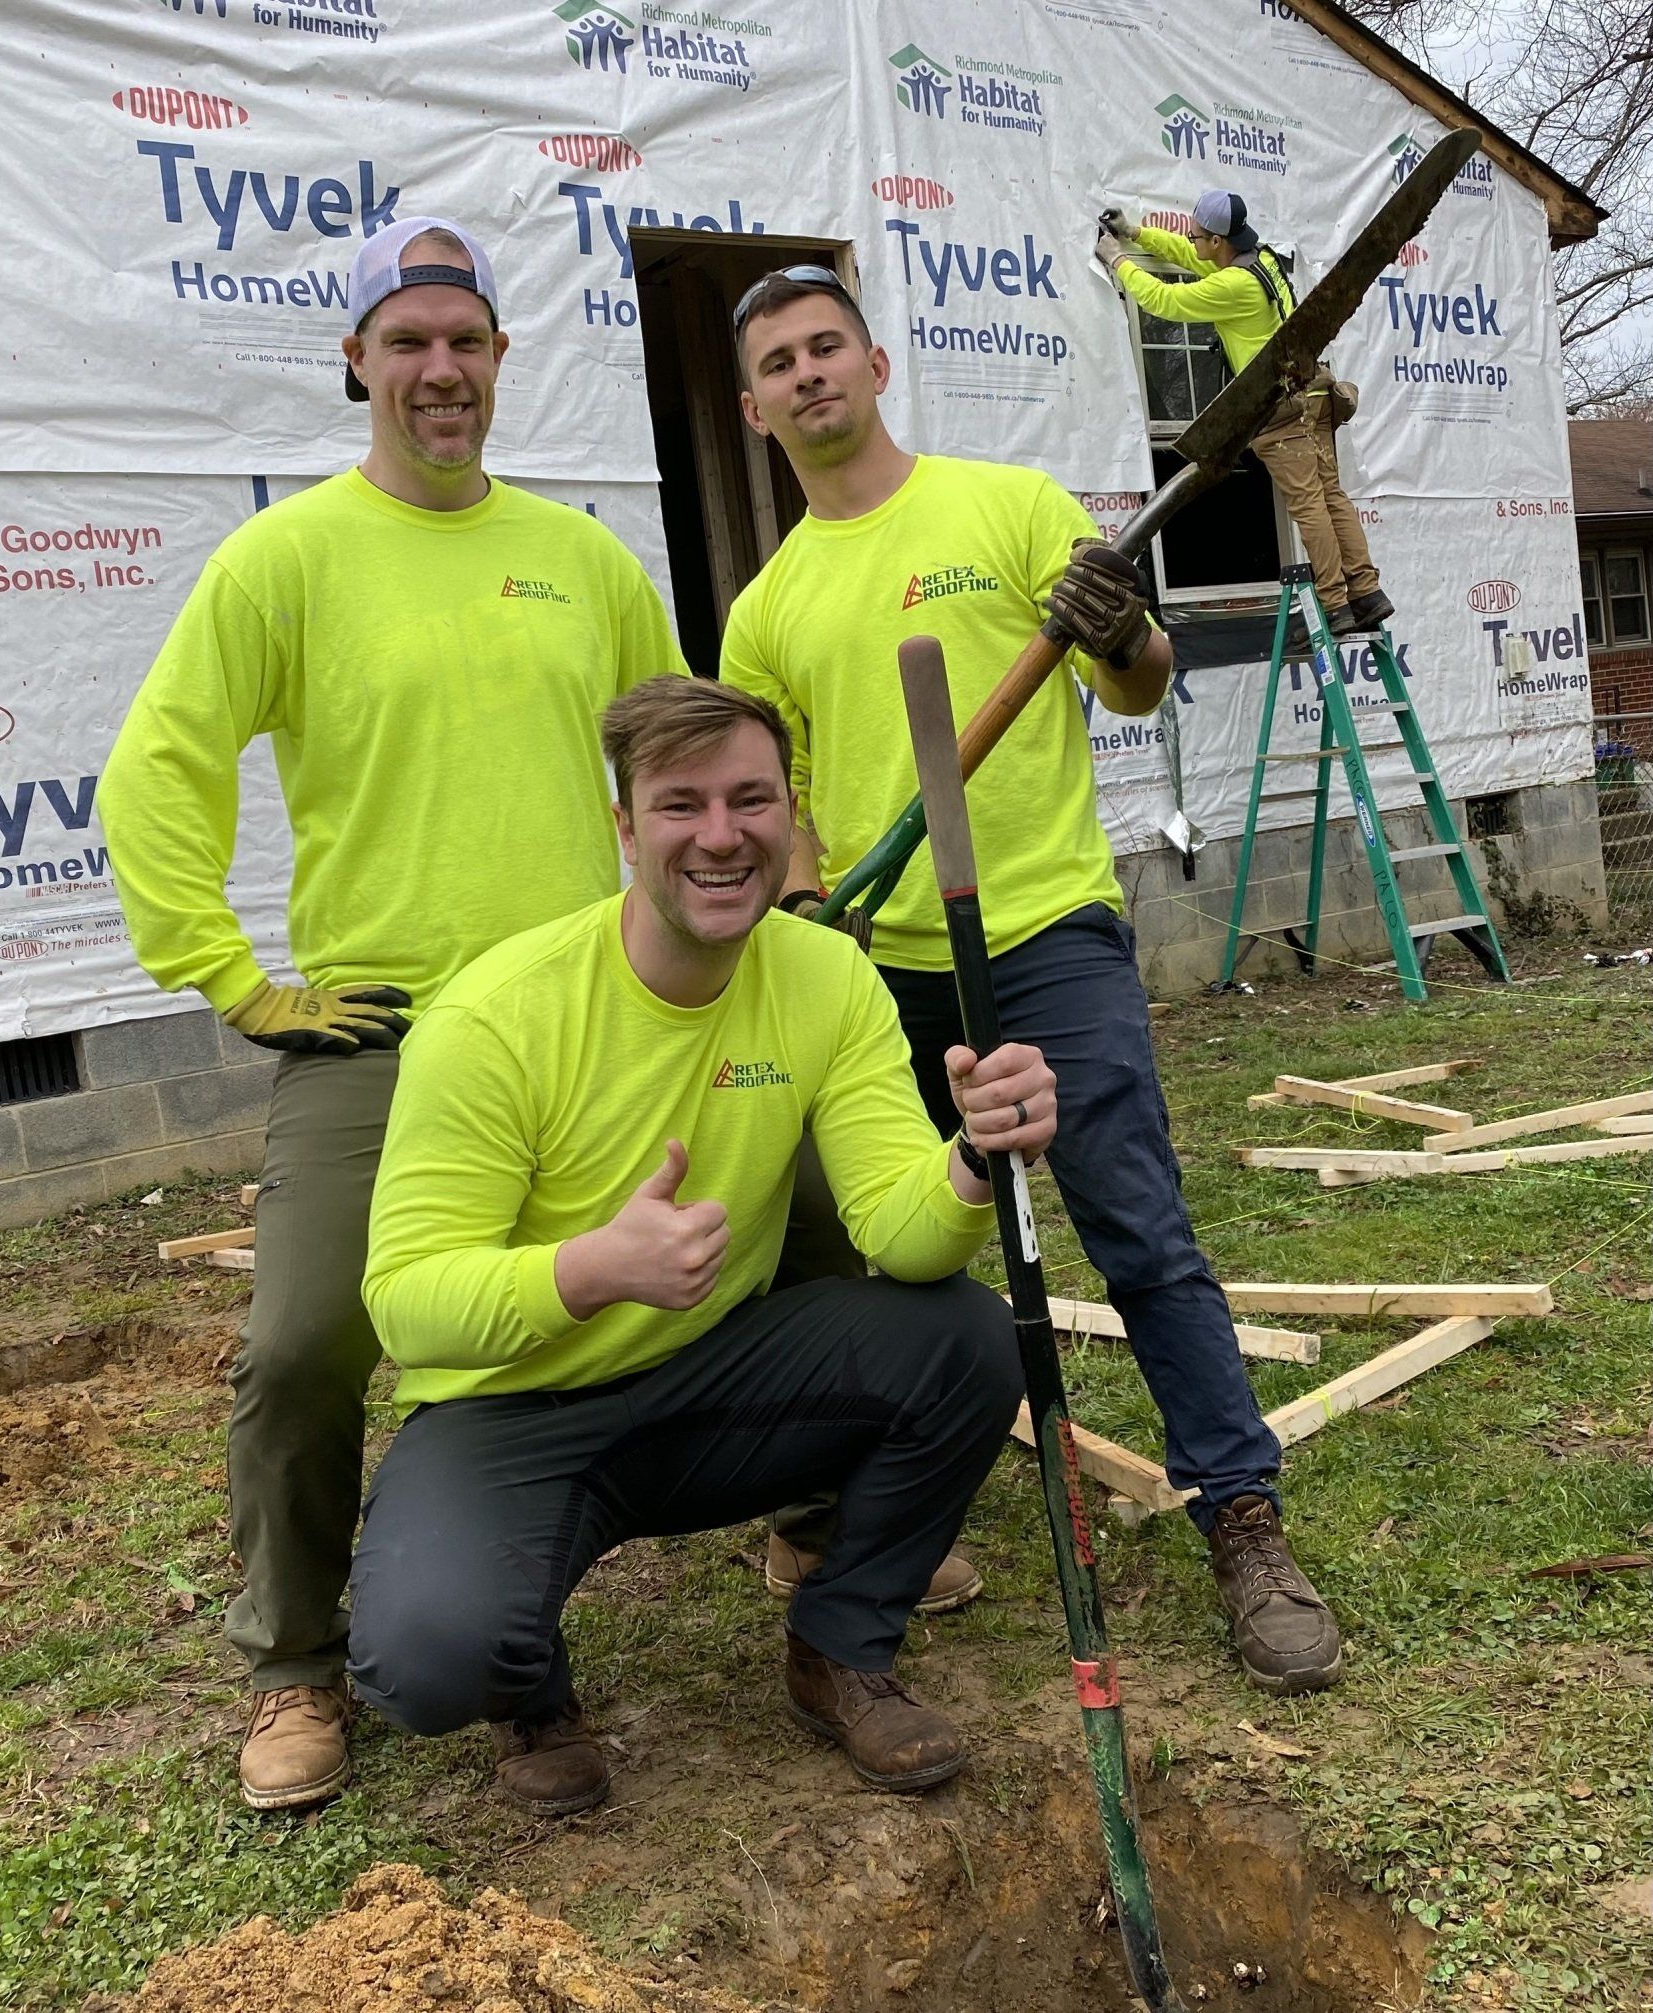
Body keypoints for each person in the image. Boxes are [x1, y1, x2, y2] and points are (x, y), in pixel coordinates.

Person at [98, 217, 687, 1811]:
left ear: (501, 361)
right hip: (384, 1032)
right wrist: (233, 977)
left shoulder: (582, 563)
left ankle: (539, 1666)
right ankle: (294, 1670)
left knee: (544, 1337)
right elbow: (158, 764)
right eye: (408, 340)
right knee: (301, 1347)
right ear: (356, 359)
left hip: (580, 1023)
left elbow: (674, 758)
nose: (440, 369)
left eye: (466, 340)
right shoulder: (286, 560)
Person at [720, 266, 1342, 1697]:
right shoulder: (766, 611)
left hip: (1046, 933)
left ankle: (1241, 1513)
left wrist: (1122, 625)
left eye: (828, 347)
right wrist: (813, 900)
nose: (810, 374)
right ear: (755, 409)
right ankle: (876, 1519)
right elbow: (789, 793)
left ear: (877, 363)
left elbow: (1139, 680)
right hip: (885, 966)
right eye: (780, 363)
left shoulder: (1005, 507)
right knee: (893, 1247)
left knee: (1135, 1221)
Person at [347, 677, 1058, 1813]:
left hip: (714, 1380)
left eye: (751, 799)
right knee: (430, 1662)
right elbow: (407, 1302)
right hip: (514, 1413)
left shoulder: (826, 975)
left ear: (790, 814)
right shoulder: (494, 1019)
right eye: (681, 806)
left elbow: (901, 1236)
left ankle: (840, 1646)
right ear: (625, 829)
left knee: (969, 1341)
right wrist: (589, 1269)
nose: (722, 837)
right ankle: (527, 1687)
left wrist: (975, 1157)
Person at [1096, 190, 1391, 641]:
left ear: (1218, 241)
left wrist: (1118, 260)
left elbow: (1164, 302)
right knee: (1332, 497)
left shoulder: (1233, 287)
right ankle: (1367, 594)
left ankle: (1336, 607)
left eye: (1197, 237)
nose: (1191, 243)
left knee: (1310, 506)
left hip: (1282, 411)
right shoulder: (1261, 260)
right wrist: (1136, 233)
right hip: (1314, 395)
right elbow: (1190, 257)